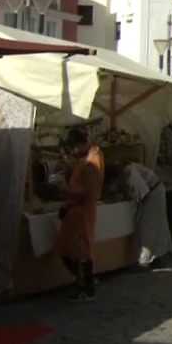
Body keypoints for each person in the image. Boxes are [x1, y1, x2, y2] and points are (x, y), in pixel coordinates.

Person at [55, 127, 103, 302]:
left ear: (78, 145)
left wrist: (66, 190)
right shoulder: (88, 159)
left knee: (80, 251)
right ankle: (85, 282)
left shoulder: (90, 164)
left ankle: (87, 287)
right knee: (70, 249)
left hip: (81, 211)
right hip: (78, 210)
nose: (73, 152)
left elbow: (88, 193)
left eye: (73, 148)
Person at [117, 161, 172, 267]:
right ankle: (153, 256)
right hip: (154, 192)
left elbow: (142, 191)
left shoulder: (129, 171)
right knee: (155, 226)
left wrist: (132, 199)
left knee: (150, 226)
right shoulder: (131, 168)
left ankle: (150, 258)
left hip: (154, 195)